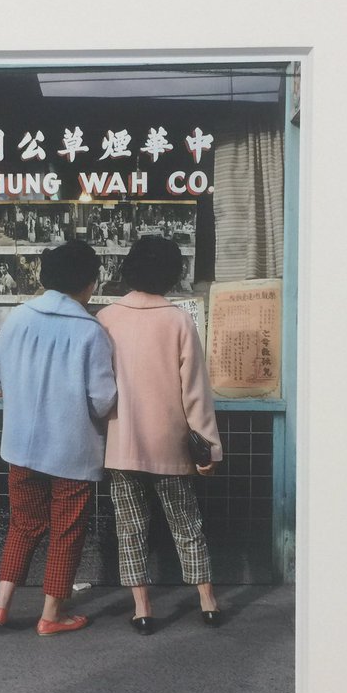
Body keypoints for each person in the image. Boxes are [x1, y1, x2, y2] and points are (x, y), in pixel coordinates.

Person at [0, 241, 116, 636]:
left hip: (20, 445)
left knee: (24, 523)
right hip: (71, 449)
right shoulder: (91, 331)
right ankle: (52, 615)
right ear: (90, 283)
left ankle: (0, 604)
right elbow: (103, 398)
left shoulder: (20, 317)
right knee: (66, 530)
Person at [97, 236, 222, 635]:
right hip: (170, 443)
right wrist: (209, 447)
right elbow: (195, 392)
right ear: (171, 273)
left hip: (121, 443)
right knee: (186, 523)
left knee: (130, 528)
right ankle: (207, 600)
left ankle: (142, 608)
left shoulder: (106, 318)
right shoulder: (179, 320)